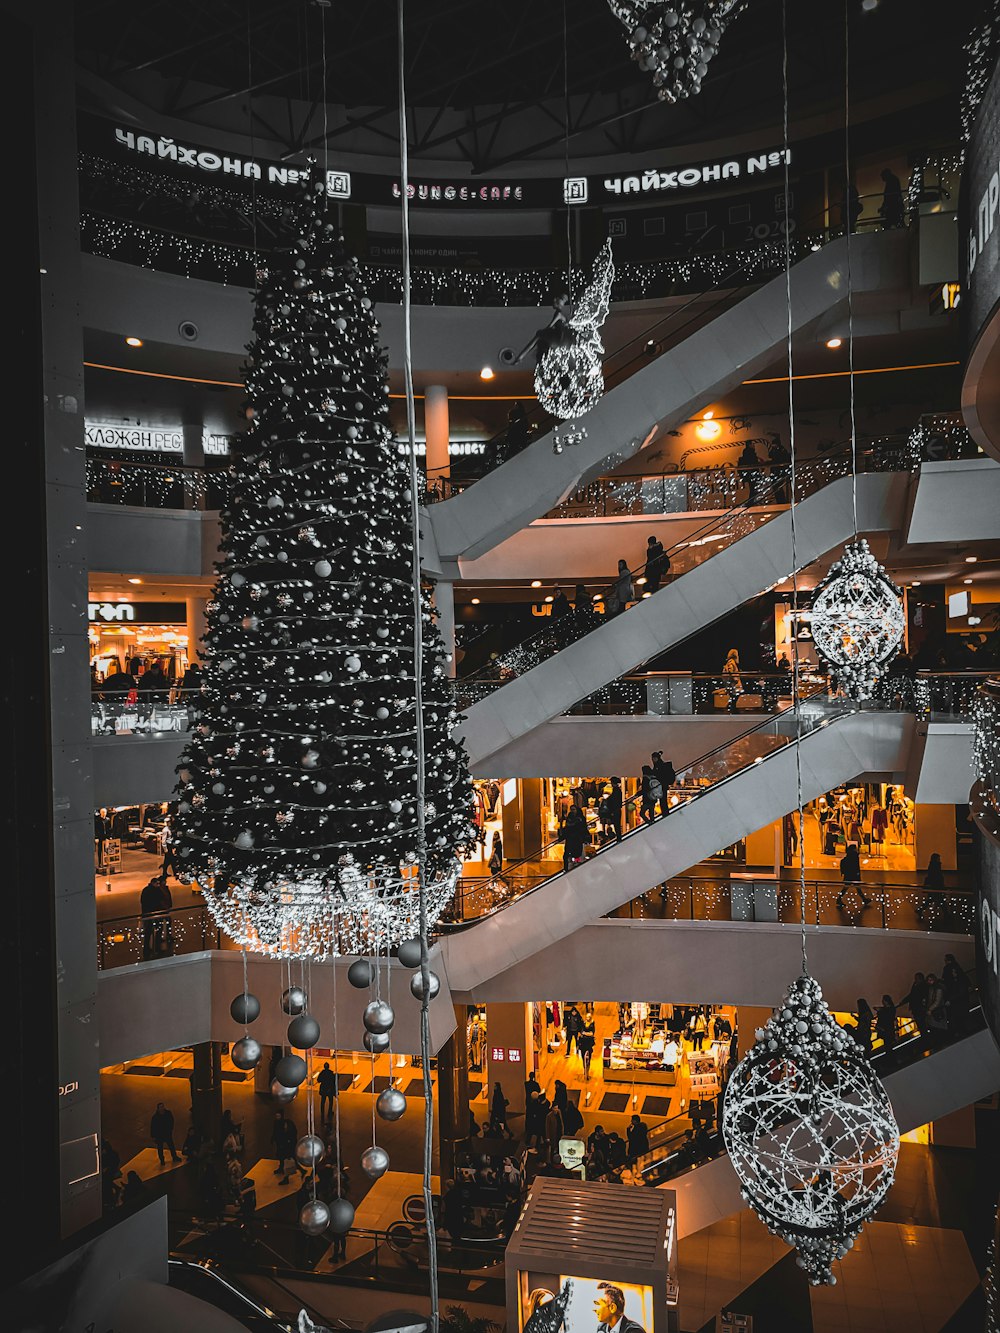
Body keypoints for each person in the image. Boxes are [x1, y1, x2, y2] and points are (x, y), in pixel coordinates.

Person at [141, 873, 173, 959]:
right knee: (158, 930)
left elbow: (143, 902)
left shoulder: (145, 890)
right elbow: (160, 900)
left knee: (148, 933)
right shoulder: (156, 891)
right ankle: (157, 947)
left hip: (147, 914)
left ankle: (147, 949)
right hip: (155, 914)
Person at [836, 844, 871, 912]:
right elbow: (856, 866)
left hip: (848, 874)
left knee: (846, 888)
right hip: (853, 874)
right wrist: (858, 874)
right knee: (857, 888)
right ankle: (864, 899)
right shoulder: (855, 856)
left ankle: (839, 899)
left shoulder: (849, 856)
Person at [943, 953, 971, 1036]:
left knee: (956, 1015)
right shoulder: (957, 968)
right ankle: (963, 1030)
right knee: (962, 1014)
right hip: (961, 998)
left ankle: (960, 1030)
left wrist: (949, 999)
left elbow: (948, 983)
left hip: (955, 998)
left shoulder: (948, 970)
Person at [916, 852, 945, 924]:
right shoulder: (936, 866)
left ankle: (920, 909)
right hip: (936, 886)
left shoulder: (932, 866)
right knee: (940, 900)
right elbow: (937, 876)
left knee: (931, 900)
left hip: (933, 886)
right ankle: (947, 915)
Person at [272, 1111, 300, 1184]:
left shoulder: (287, 1124)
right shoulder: (277, 1123)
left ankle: (286, 1177)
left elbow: (290, 1135)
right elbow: (275, 1132)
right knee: (282, 1158)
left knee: (287, 1160)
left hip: (286, 1145)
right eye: (276, 1116)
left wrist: (287, 1142)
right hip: (281, 1144)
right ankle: (281, 1169)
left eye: (278, 1116)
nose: (277, 1117)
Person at [561, 804, 588, 872]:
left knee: (577, 854)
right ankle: (567, 868)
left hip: (577, 839)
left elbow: (583, 828)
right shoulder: (570, 818)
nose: (572, 811)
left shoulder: (580, 819)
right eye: (571, 809)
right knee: (567, 854)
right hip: (570, 839)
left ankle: (575, 865)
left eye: (573, 809)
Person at [599, 778, 623, 844]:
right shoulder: (617, 790)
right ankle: (618, 837)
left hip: (615, 810)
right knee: (616, 824)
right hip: (616, 810)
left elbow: (613, 801)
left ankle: (618, 837)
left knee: (616, 824)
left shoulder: (616, 791)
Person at [577, 1009, 597, 1080]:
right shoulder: (583, 1023)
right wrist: (587, 1034)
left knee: (589, 1059)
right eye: (587, 1017)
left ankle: (587, 1072)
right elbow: (581, 1031)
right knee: (583, 1058)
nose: (587, 1018)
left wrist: (586, 1033)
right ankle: (584, 1071)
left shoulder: (592, 1024)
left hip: (589, 1043)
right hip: (583, 1042)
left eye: (589, 1017)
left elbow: (592, 1033)